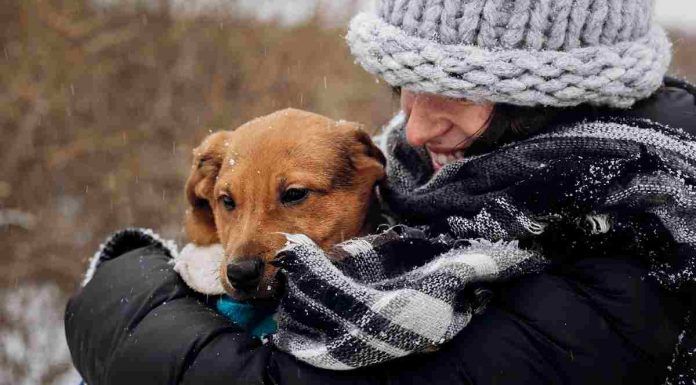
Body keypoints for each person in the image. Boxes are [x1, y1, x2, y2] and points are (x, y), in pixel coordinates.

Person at [65, 1, 696, 384]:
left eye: (462, 90)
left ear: (557, 98)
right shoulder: (424, 183)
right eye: (401, 85)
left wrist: (122, 300)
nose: (412, 130)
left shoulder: (641, 236)